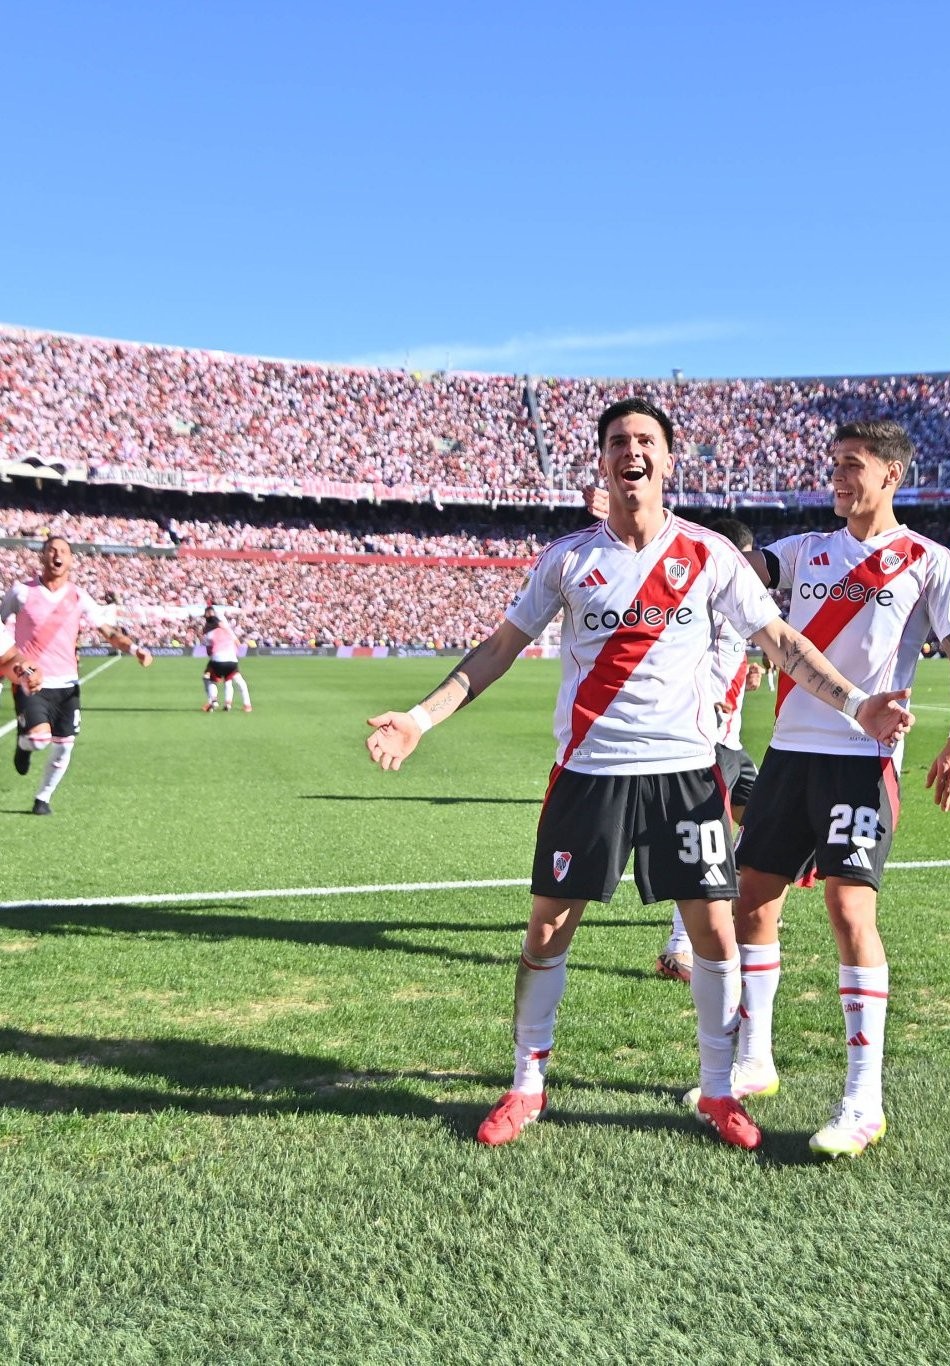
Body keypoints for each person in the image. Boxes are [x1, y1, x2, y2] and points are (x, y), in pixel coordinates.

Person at [365, 398, 911, 1152]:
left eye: (646, 440)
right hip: (590, 772)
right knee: (547, 928)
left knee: (714, 932)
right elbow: (498, 649)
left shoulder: (709, 555)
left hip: (684, 776)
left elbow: (781, 641)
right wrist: (420, 718)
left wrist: (856, 703)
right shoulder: (568, 559)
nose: (633, 451)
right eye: (619, 441)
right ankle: (526, 1084)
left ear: (667, 460)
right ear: (603, 462)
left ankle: (719, 1089)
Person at [729, 420, 950, 1159]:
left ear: (891, 474)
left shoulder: (927, 561)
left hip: (861, 757)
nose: (838, 477)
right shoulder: (802, 550)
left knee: (849, 909)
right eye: (834, 464)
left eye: (852, 465)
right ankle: (755, 1058)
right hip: (789, 751)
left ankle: (863, 1101)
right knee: (754, 899)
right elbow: (739, 566)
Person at [654, 517, 764, 985]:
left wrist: (748, 673)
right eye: (748, 556)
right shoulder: (701, 598)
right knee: (705, 844)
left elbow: (735, 650)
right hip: (707, 740)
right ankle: (679, 947)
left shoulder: (739, 601)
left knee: (766, 823)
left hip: (732, 742)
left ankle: (738, 902)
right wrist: (705, 693)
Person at [1, 535, 153, 815]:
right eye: (51, 550)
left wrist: (134, 649)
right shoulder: (21, 592)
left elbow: (107, 631)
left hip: (68, 683)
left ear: (71, 560)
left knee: (63, 748)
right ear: (42, 556)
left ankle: (43, 798)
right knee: (38, 740)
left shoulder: (79, 597)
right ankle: (23, 745)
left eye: (63, 551)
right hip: (31, 679)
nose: (57, 555)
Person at [201, 613, 253, 712]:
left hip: (218, 660)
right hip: (232, 660)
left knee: (212, 681)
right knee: (234, 681)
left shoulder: (210, 634)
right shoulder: (229, 631)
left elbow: (209, 652)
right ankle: (245, 705)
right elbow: (238, 644)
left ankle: (213, 701)